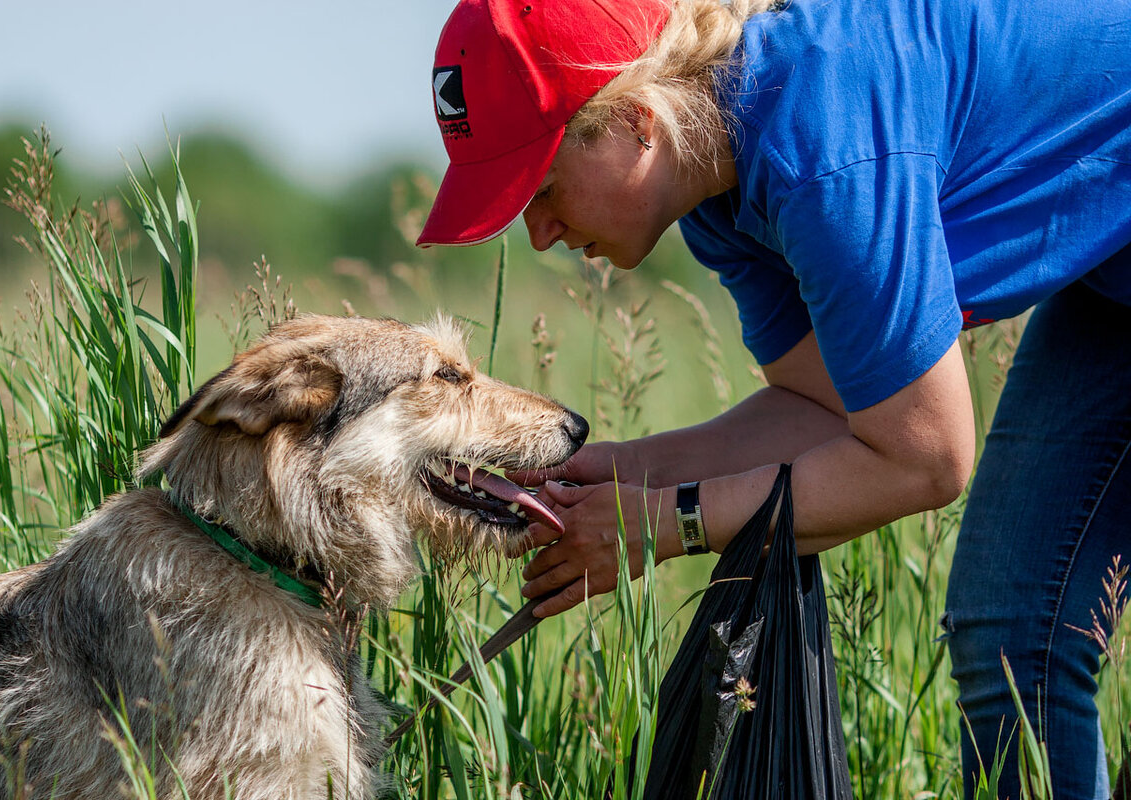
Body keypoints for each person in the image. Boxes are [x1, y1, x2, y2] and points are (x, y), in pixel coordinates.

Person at [416, 0, 1131, 796]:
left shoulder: (821, 154)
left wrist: (667, 523)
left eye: (543, 187)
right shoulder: (717, 197)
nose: (539, 232)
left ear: (638, 123)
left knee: (1016, 629)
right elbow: (822, 409)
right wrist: (614, 475)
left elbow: (929, 457)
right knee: (1013, 635)